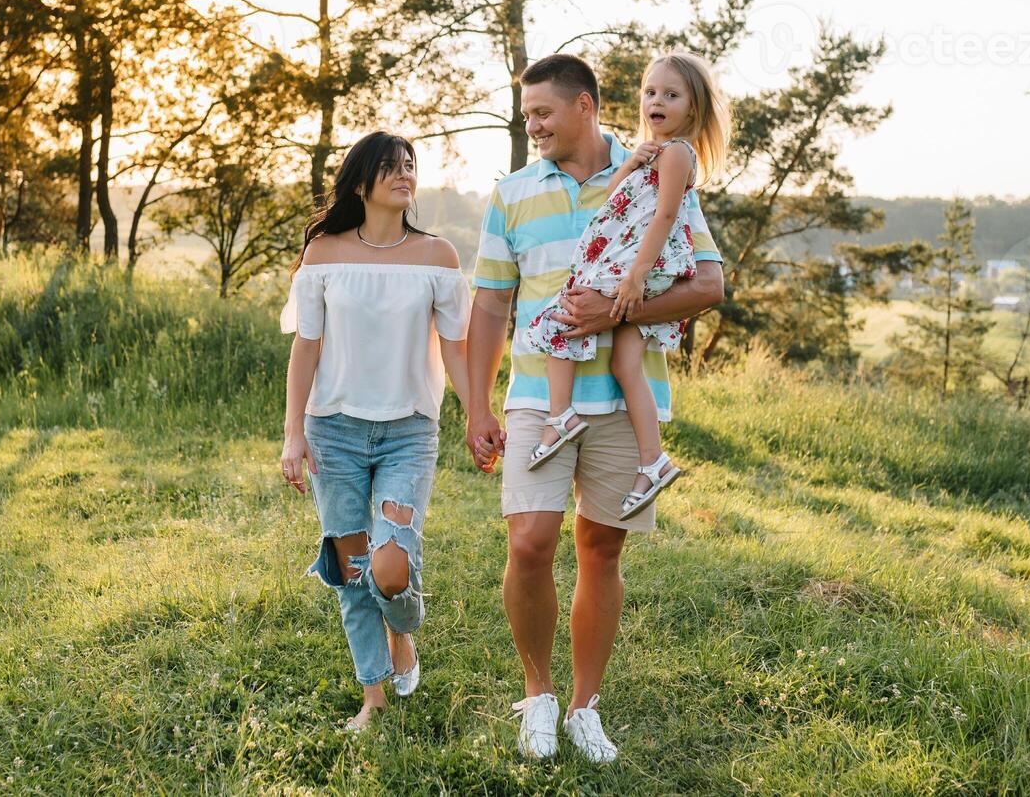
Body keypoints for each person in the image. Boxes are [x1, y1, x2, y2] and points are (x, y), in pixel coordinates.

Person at [464, 54, 726, 762]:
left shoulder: (650, 170)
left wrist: (611, 314)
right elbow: (489, 304)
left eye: (543, 113)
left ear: (585, 106)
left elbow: (708, 285)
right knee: (529, 541)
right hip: (534, 400)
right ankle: (539, 693)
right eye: (526, 116)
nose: (533, 127)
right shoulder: (512, 192)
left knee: (601, 549)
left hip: (620, 400)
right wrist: (476, 406)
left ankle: (585, 706)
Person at [279, 131, 473, 731]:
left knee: (389, 566)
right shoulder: (325, 253)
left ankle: (404, 634)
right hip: (332, 430)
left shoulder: (438, 256)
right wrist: (293, 434)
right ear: (361, 183)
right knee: (353, 569)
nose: (404, 174)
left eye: (409, 165)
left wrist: (479, 416)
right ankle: (373, 698)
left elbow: (457, 350)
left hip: (408, 431)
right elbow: (305, 348)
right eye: (390, 167)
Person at [522, 52, 730, 521]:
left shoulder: (677, 152)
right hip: (639, 262)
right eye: (651, 92)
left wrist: (635, 277)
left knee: (562, 318)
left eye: (671, 95)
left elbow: (665, 216)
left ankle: (560, 417)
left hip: (641, 265)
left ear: (692, 110)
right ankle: (652, 460)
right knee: (624, 362)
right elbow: (618, 197)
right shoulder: (654, 152)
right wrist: (631, 162)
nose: (657, 101)